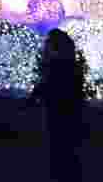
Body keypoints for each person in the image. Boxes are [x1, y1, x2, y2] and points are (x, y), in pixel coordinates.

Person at [29, 29, 88, 182]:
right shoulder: (72, 65)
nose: (45, 45)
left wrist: (31, 100)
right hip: (69, 112)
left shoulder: (56, 66)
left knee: (61, 151)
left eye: (48, 43)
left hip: (60, 112)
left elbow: (45, 86)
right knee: (67, 151)